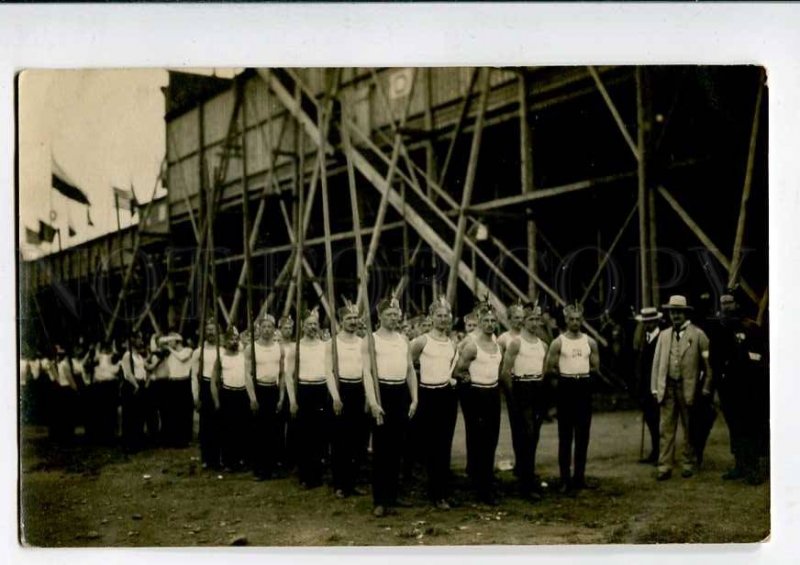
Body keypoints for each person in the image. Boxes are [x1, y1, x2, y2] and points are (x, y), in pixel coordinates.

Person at [363, 295, 418, 517]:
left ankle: (393, 496)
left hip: (400, 393)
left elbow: (410, 370)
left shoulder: (403, 339)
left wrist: (415, 398)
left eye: (396, 314)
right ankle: (380, 499)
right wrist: (373, 402)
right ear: (380, 316)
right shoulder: (372, 339)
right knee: (381, 449)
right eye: (389, 314)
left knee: (397, 448)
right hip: (381, 392)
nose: (394, 318)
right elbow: (366, 372)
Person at [650, 295, 712, 481]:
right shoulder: (664, 335)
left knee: (688, 428)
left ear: (685, 313)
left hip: (689, 388)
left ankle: (688, 463)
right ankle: (665, 465)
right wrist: (655, 387)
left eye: (678, 312)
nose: (675, 315)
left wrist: (706, 386)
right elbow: (657, 363)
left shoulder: (698, 335)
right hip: (667, 387)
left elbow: (708, 365)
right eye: (672, 312)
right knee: (666, 428)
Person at [710, 290, 768, 485]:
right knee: (735, 427)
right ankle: (739, 465)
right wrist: (718, 386)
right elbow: (714, 361)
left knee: (751, 427)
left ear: (736, 304)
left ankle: (754, 468)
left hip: (749, 388)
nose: (726, 306)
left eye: (729, 302)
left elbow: (760, 357)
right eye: (723, 303)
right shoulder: (718, 330)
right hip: (728, 389)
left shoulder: (750, 328)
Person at [545, 302, 601, 494]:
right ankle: (564, 479)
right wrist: (563, 381)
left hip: (583, 388)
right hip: (566, 388)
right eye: (571, 319)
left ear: (582, 320)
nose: (575, 322)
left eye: (578, 319)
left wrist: (582, 378)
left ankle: (580, 477)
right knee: (565, 436)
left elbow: (595, 367)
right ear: (566, 320)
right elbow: (549, 368)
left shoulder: (590, 342)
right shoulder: (558, 342)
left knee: (583, 435)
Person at [285, 307, 342, 489]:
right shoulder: (296, 348)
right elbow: (288, 375)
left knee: (320, 434)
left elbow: (329, 371)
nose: (312, 327)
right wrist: (292, 400)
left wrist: (335, 397)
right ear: (302, 326)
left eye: (315, 324)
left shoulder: (325, 346)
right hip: (303, 390)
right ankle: (305, 475)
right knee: (304, 434)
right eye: (308, 324)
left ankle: (317, 474)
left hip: (320, 390)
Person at [410, 296, 458, 510]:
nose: (443, 319)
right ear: (431, 317)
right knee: (429, 445)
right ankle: (432, 491)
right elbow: (408, 366)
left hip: (446, 396)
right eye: (438, 315)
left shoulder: (452, 342)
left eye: (446, 315)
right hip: (427, 395)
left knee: (445, 444)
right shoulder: (421, 341)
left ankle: (442, 493)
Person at [455, 300, 503, 505]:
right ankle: (481, 488)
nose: (490, 324)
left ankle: (487, 481)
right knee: (479, 440)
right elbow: (458, 370)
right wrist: (470, 385)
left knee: (492, 438)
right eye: (486, 321)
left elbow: (498, 369)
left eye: (493, 321)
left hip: (493, 393)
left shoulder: (498, 344)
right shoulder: (472, 346)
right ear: (480, 322)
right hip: (476, 395)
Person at [500, 304, 548, 500]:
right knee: (525, 434)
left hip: (536, 387)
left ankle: (527, 477)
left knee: (534, 434)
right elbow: (505, 372)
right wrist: (513, 397)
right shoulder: (516, 343)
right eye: (531, 320)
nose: (535, 323)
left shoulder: (543, 344)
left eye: (537, 320)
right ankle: (526, 485)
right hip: (521, 388)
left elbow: (544, 369)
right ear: (524, 322)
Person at [327, 299, 367, 498]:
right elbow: (328, 371)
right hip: (340, 390)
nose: (353, 321)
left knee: (358, 441)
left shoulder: (362, 342)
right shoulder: (332, 343)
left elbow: (367, 371)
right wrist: (335, 397)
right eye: (349, 318)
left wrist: (369, 396)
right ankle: (340, 484)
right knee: (340, 440)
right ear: (341, 321)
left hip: (359, 390)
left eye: (355, 318)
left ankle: (353, 481)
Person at [245, 313, 285, 481]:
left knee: (275, 430)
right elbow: (247, 374)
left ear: (274, 329)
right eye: (264, 327)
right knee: (259, 431)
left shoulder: (279, 348)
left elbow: (282, 374)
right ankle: (260, 469)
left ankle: (274, 466)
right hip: (259, 390)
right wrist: (252, 397)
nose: (267, 330)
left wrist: (282, 397)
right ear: (259, 329)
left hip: (274, 390)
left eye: (270, 327)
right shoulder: (251, 348)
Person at [215, 325, 255, 471]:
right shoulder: (221, 358)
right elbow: (214, 380)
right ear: (225, 342)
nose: (234, 341)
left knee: (243, 428)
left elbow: (248, 376)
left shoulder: (243, 356)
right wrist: (217, 400)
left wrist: (251, 397)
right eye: (230, 339)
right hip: (228, 394)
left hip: (242, 393)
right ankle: (228, 461)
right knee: (228, 428)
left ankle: (242, 460)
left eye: (235, 339)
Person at [632, 307, 664, 465]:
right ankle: (655, 451)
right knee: (651, 420)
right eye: (645, 322)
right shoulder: (645, 338)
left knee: (659, 421)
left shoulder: (662, 337)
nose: (648, 324)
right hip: (645, 386)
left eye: (650, 321)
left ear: (656, 321)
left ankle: (661, 453)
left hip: (658, 385)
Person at [192, 321, 222, 470]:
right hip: (204, 385)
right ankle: (206, 457)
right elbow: (194, 375)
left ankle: (218, 457)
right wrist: (195, 396)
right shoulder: (199, 351)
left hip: (219, 386)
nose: (211, 332)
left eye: (213, 330)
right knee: (205, 424)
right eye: (208, 330)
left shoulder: (222, 350)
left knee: (219, 423)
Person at [121, 335, 150, 452]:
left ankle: (138, 441)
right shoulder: (128, 355)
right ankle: (129, 443)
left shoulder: (139, 356)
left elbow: (145, 369)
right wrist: (136, 385)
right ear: (133, 341)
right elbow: (128, 373)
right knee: (130, 415)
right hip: (132, 386)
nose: (142, 341)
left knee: (139, 414)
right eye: (140, 339)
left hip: (140, 385)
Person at [165, 332, 194, 447]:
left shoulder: (188, 350)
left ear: (177, 341)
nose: (168, 344)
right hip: (173, 383)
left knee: (184, 411)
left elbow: (182, 358)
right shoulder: (170, 354)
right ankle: (174, 438)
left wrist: (169, 349)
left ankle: (185, 438)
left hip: (183, 382)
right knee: (174, 411)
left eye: (170, 341)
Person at [90, 340, 121, 444]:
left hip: (111, 386)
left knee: (111, 410)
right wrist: (97, 348)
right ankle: (102, 434)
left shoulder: (114, 361)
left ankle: (110, 434)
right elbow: (95, 357)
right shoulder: (100, 358)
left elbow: (116, 355)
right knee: (102, 410)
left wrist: (113, 346)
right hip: (102, 386)